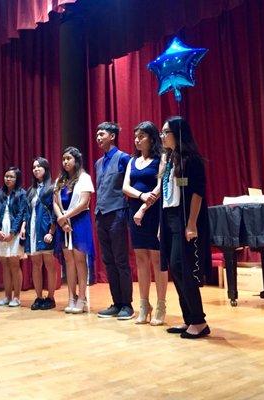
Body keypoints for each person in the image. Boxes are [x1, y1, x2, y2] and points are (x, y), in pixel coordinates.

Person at [159, 116, 212, 339]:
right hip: (169, 217)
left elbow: (197, 193)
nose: (162, 136)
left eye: (165, 132)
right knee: (174, 266)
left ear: (178, 134)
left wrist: (191, 224)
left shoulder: (192, 160)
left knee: (184, 267)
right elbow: (168, 193)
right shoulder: (170, 159)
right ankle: (188, 318)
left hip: (185, 220)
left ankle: (199, 321)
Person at [122, 121, 167, 325]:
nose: (137, 140)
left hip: (154, 211)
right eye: (135, 136)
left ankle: (160, 305)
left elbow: (160, 186)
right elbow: (125, 187)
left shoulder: (161, 157)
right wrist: (141, 197)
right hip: (135, 211)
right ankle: (143, 304)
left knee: (157, 259)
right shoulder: (132, 161)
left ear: (151, 137)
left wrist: (144, 206)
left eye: (141, 136)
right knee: (140, 258)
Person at [94, 122, 135, 320]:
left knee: (120, 260)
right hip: (101, 215)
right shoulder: (98, 163)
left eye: (102, 134)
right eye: (97, 135)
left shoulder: (124, 158)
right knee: (108, 261)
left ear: (112, 136)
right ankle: (116, 302)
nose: (98, 137)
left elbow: (131, 184)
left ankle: (127, 304)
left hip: (117, 213)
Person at [54, 147, 95, 314]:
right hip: (63, 223)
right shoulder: (59, 180)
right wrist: (61, 219)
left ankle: (83, 298)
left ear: (76, 160)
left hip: (79, 221)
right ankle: (71, 297)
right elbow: (55, 202)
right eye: (63, 159)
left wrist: (65, 216)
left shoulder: (85, 178)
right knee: (68, 261)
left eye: (69, 158)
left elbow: (84, 203)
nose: (65, 162)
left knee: (79, 260)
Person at [21, 157, 58, 310]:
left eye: (39, 166)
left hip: (45, 229)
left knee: (49, 265)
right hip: (32, 230)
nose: (36, 169)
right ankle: (38, 297)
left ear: (46, 168)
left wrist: (51, 231)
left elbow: (56, 211)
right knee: (36, 264)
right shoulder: (30, 190)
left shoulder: (52, 187)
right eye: (34, 167)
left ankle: (50, 297)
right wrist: (23, 227)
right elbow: (26, 211)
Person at [0, 167, 27, 307]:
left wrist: (12, 232)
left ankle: (16, 297)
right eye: (6, 176)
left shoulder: (22, 194)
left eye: (11, 177)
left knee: (14, 264)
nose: (8, 179)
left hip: (14, 232)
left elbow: (21, 214)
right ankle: (7, 296)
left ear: (17, 179)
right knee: (4, 265)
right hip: (0, 231)